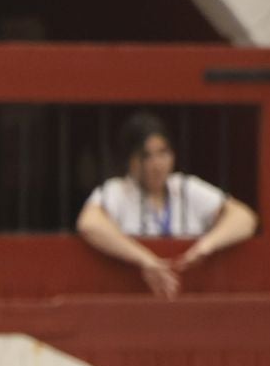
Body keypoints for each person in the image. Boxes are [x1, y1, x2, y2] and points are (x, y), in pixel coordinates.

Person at [76, 112, 258, 299]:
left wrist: (205, 246)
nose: (157, 164)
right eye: (146, 156)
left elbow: (244, 218)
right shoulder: (118, 191)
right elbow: (90, 224)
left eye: (163, 153)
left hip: (192, 297)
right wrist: (144, 259)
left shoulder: (185, 187)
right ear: (130, 161)